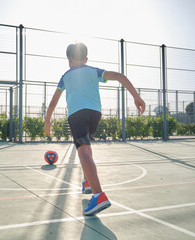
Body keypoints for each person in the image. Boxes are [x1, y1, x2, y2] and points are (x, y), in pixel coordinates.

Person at [44, 42, 146, 216]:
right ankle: (87, 182)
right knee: (87, 149)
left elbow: (54, 101)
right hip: (95, 113)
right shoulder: (93, 71)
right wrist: (136, 96)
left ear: (69, 60)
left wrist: (47, 120)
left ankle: (99, 195)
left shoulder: (65, 76)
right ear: (86, 59)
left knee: (83, 150)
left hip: (77, 114)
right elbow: (120, 76)